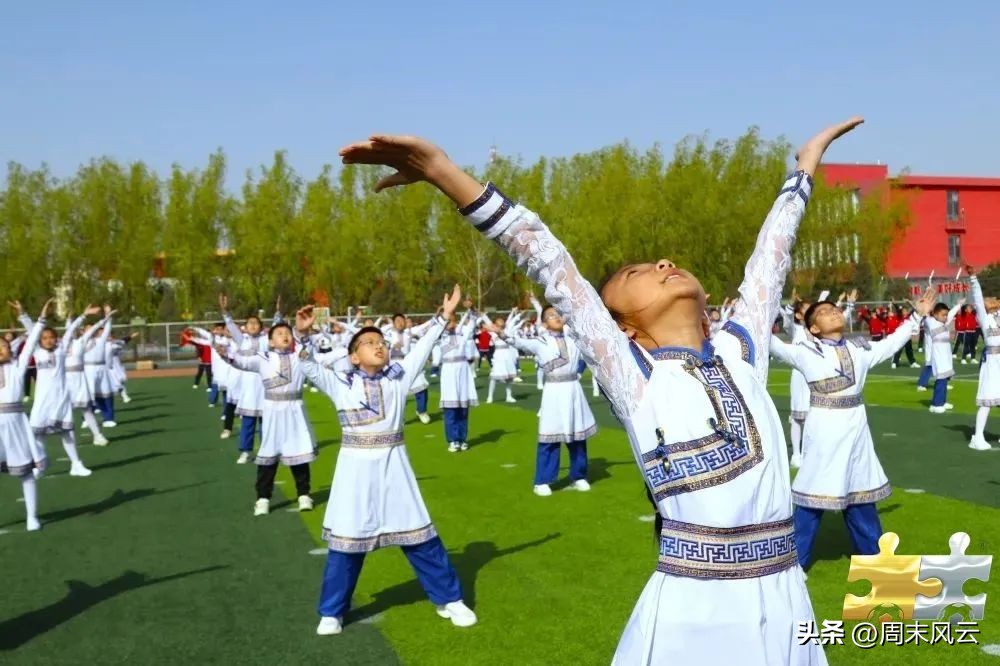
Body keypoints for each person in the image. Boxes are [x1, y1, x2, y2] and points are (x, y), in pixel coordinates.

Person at [337, 117, 864, 665]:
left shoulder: (741, 350)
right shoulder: (634, 373)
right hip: (693, 608)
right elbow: (544, 254)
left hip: (785, 599)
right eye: (638, 271)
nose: (664, 264)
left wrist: (806, 164)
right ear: (622, 327)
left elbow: (771, 256)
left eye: (664, 263)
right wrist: (442, 171)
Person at [301, 287, 476, 636]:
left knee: (420, 535)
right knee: (347, 542)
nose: (378, 345)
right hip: (354, 472)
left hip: (395, 468)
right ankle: (332, 611)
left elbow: (423, 348)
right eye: (368, 343)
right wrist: (303, 334)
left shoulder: (399, 377)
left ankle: (450, 599)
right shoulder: (339, 384)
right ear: (354, 356)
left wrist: (444, 316)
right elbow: (306, 365)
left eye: (381, 341)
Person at [770, 288, 933, 567]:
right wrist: (756, 309)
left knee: (860, 493)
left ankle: (875, 561)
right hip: (825, 430)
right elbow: (770, 343)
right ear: (813, 328)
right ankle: (792, 568)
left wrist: (917, 316)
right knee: (813, 496)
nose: (833, 312)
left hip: (857, 430)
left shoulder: (859, 349)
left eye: (834, 309)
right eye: (824, 312)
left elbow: (892, 343)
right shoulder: (804, 351)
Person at [1, 299, 52, 531]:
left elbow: (32, 341)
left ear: (10, 349)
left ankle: (32, 516)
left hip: (15, 424)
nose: (0, 349)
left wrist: (31, 316)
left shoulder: (18, 366)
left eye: (3, 346)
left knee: (26, 472)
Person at [966, 267, 1000, 450]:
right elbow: (978, 298)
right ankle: (977, 437)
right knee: (987, 400)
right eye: (991, 299)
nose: (993, 300)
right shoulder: (984, 318)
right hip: (992, 362)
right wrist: (973, 278)